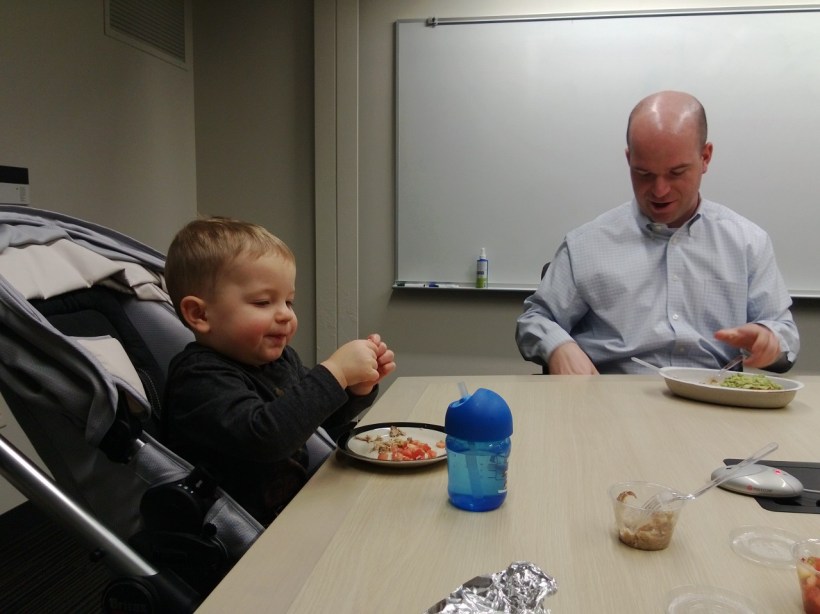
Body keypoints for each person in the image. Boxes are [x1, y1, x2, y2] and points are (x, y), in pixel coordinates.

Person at [516, 90, 799, 375]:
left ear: (705, 157)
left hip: (713, 394)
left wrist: (770, 339)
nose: (660, 191)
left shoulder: (747, 243)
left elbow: (785, 333)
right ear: (629, 159)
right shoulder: (586, 245)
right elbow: (535, 319)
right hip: (613, 395)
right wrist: (557, 346)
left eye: (676, 173)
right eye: (644, 174)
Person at [163, 217, 395, 525]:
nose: (285, 314)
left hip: (292, 508)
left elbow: (313, 419)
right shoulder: (197, 379)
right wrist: (336, 372)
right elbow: (266, 437)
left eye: (289, 301)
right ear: (200, 314)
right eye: (263, 302)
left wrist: (355, 388)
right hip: (238, 528)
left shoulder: (280, 360)